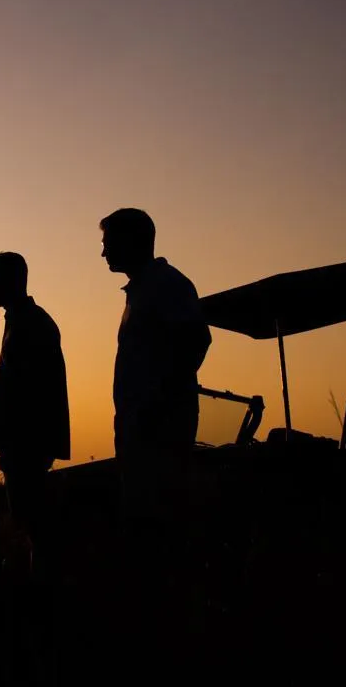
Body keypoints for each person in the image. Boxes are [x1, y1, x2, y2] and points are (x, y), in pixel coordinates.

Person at [100, 207, 212, 663]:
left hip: (158, 440)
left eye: (109, 240)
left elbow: (195, 342)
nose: (103, 250)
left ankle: (169, 640)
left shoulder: (166, 287)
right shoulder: (143, 291)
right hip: (141, 435)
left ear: (134, 241)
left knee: (160, 534)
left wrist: (155, 404)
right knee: (144, 533)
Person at [0, 251, 70, 574]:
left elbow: (32, 392)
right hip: (21, 443)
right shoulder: (23, 321)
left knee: (32, 525)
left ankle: (39, 591)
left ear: (11, 281)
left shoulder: (32, 324)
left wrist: (15, 442)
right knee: (28, 523)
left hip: (26, 444)